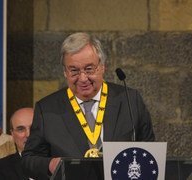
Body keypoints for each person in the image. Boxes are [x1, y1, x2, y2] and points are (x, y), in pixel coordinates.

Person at [21, 32, 155, 179]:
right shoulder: (47, 109)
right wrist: (50, 164)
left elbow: (149, 150)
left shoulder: (129, 100)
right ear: (65, 72)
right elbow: (29, 160)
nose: (83, 78)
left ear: (102, 67)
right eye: (74, 71)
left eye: (89, 69)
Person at [0, 107, 34, 180]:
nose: (28, 134)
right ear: (12, 134)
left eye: (33, 128)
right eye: (21, 129)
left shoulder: (57, 162)